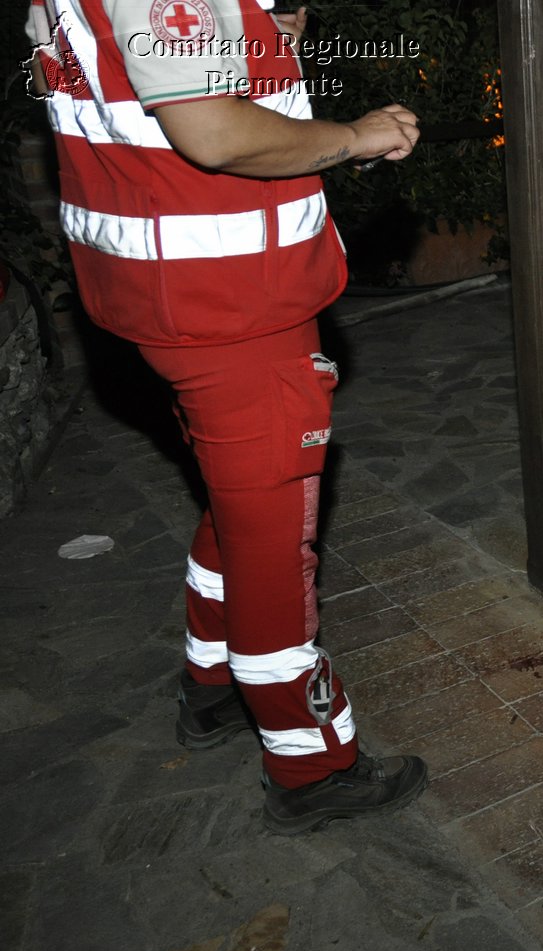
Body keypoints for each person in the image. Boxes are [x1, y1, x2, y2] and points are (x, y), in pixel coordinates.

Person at [25, 0, 427, 832]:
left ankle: (210, 686)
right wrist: (352, 136)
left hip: (160, 290)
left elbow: (70, 75)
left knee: (245, 503)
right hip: (231, 305)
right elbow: (211, 131)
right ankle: (311, 765)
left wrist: (271, 28)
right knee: (277, 545)